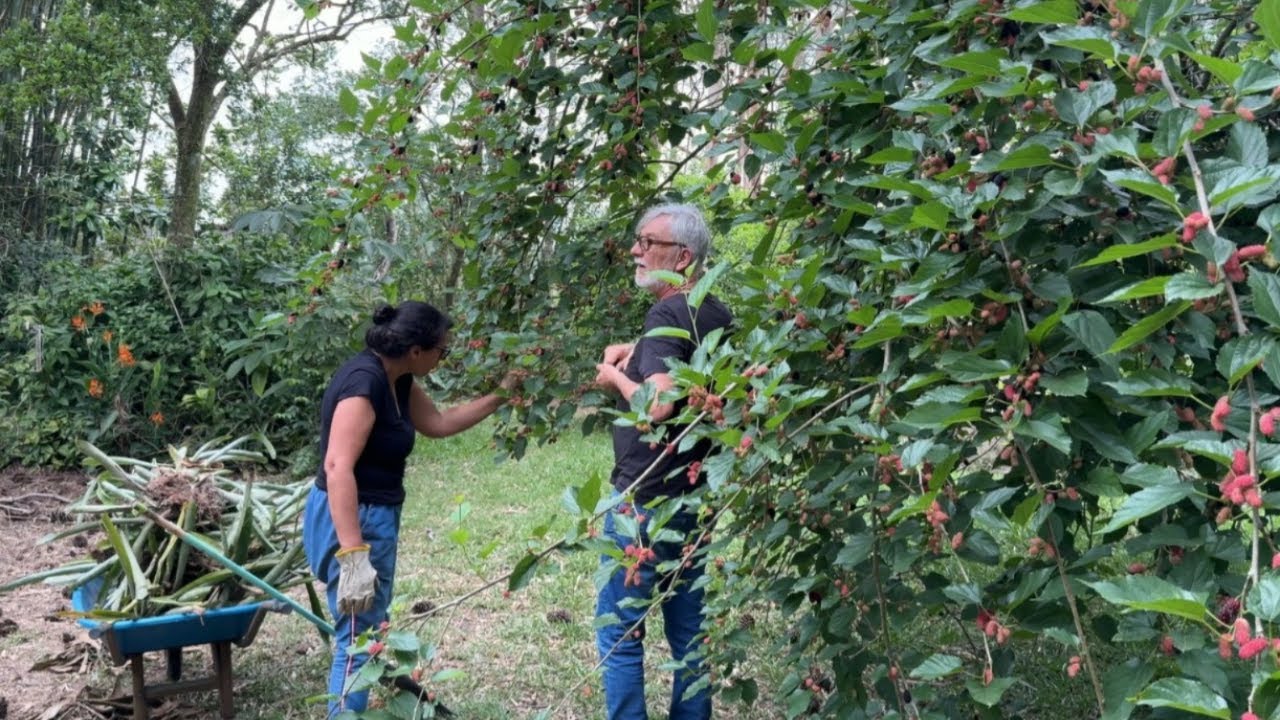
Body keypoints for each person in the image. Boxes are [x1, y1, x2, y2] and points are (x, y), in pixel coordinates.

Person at [303, 300, 514, 717]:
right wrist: (353, 556)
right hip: (351, 517)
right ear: (416, 350)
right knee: (357, 640)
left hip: (372, 514)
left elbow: (437, 423)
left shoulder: (396, 377)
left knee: (365, 632)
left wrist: (500, 397)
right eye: (442, 350)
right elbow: (337, 466)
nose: (443, 358)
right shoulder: (365, 383)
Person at [592, 203, 734, 720]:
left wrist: (614, 378)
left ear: (683, 256)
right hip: (693, 503)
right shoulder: (713, 312)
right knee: (690, 638)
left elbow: (656, 407)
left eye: (647, 242)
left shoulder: (666, 313)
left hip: (644, 503)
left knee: (620, 632)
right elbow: (688, 363)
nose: (635, 250)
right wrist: (639, 348)